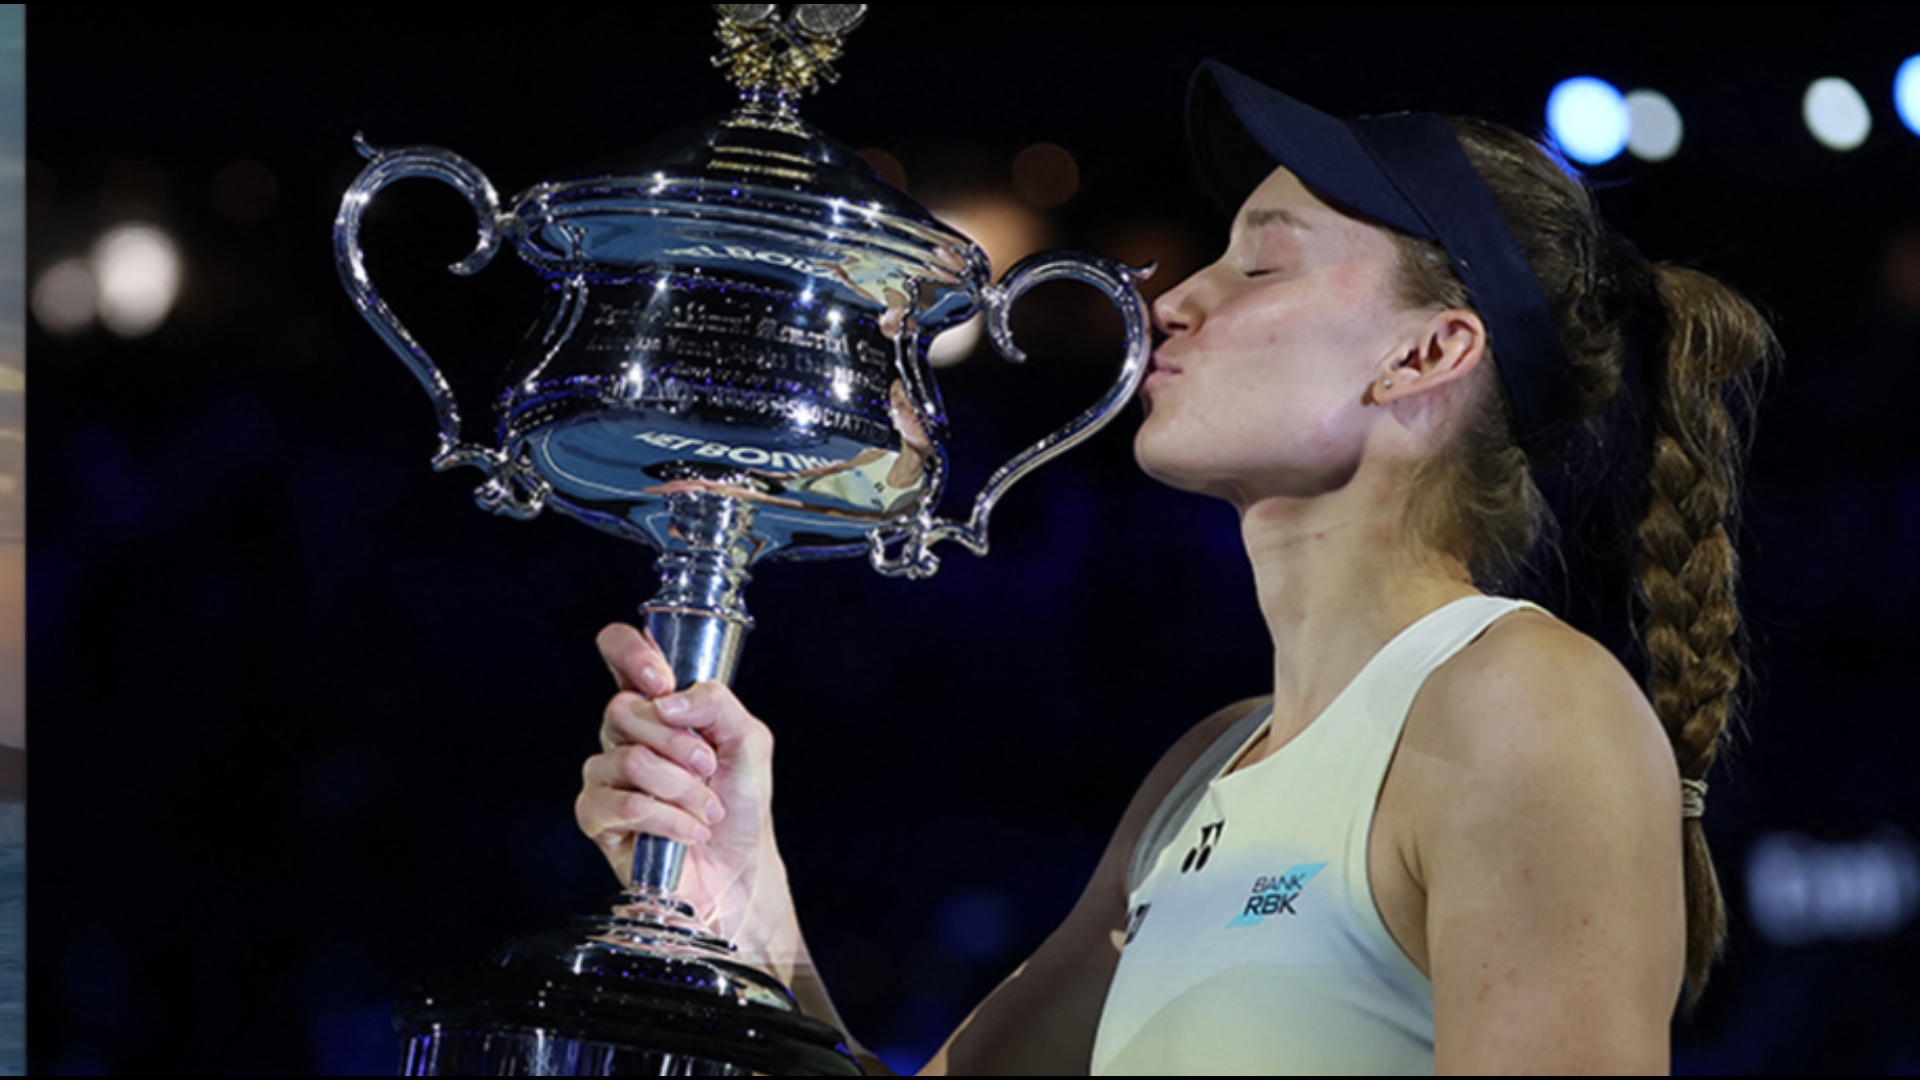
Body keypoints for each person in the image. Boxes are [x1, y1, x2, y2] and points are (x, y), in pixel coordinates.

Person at [575, 60, 1776, 1075]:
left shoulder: (1525, 705)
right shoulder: (1203, 770)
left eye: (1261, 266)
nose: (1178, 298)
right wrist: (745, 904)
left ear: (1424, 354)